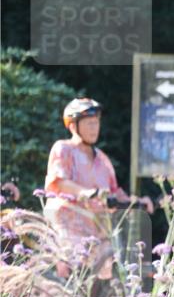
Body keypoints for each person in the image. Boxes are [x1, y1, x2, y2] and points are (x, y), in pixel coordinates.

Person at [43, 97, 153, 282]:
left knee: (104, 285)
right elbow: (59, 181)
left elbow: (115, 192)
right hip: (69, 228)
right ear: (73, 126)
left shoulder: (103, 160)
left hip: (97, 233)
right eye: (88, 123)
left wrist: (139, 202)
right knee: (71, 278)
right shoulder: (63, 149)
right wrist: (85, 192)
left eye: (96, 123)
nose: (94, 128)